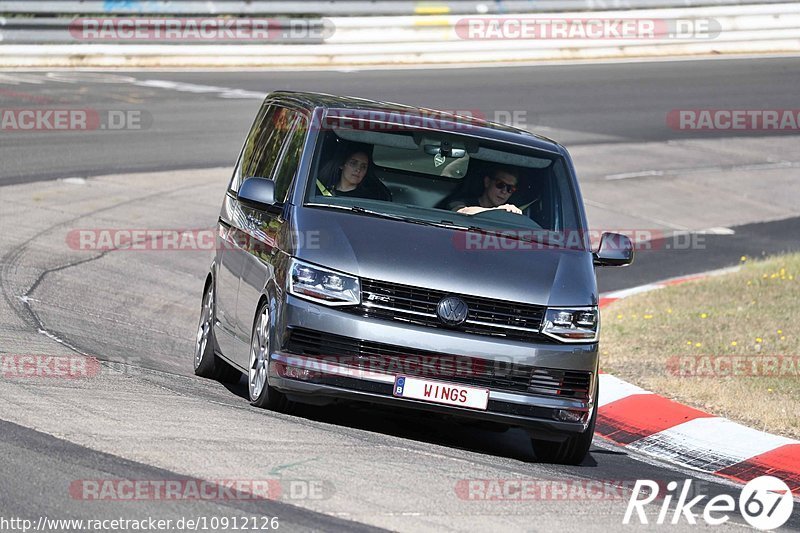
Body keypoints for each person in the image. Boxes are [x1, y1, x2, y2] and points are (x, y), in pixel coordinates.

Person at [316, 144, 391, 201]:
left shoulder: (370, 198)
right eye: (353, 163)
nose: (358, 169)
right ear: (342, 164)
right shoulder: (320, 191)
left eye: (363, 166)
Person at [448, 167, 523, 215]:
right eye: (500, 184)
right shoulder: (461, 202)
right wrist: (497, 211)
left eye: (510, 188)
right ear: (487, 182)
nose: (504, 191)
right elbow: (461, 211)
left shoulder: (510, 213)